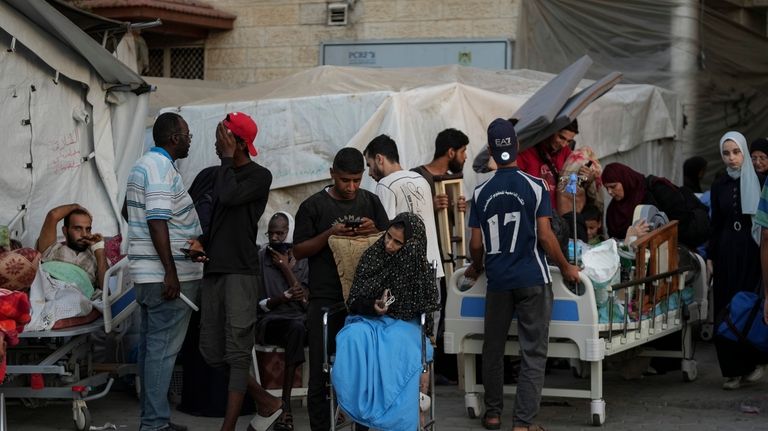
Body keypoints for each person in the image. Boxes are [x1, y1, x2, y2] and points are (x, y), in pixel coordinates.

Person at [464, 118, 580, 431]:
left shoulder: (480, 192)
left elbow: (476, 243)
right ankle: (523, 423)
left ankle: (492, 413)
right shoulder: (536, 186)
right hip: (532, 278)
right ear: (517, 147)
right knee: (533, 352)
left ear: (490, 150)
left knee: (493, 347)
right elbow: (545, 236)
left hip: (498, 281)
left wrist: (477, 266)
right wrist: (567, 267)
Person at [193, 112, 283, 431]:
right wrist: (201, 242)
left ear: (236, 142)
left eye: (222, 137)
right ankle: (267, 400)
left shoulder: (260, 176)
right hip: (215, 270)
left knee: (237, 349)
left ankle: (228, 426)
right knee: (212, 351)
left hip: (241, 273)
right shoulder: (222, 172)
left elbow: (230, 197)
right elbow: (219, 220)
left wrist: (228, 158)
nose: (216, 143)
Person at [293, 147, 389, 431]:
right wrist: (329, 234)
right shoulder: (313, 206)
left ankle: (362, 425)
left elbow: (391, 244)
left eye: (357, 180)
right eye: (345, 180)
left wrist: (373, 231)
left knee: (364, 370)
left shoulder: (370, 202)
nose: (351, 187)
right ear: (332, 173)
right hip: (324, 299)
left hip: (363, 300)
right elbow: (298, 251)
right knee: (321, 373)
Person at [126, 112, 203, 431]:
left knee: (151, 350)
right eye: (187, 135)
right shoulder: (158, 169)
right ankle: (154, 424)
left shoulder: (143, 165)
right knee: (162, 353)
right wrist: (170, 272)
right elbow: (157, 220)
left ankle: (153, 419)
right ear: (174, 138)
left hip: (148, 275)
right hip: (166, 278)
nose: (189, 140)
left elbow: (134, 213)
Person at [333, 212, 440, 431]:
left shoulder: (416, 264)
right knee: (352, 337)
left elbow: (424, 310)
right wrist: (373, 305)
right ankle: (361, 414)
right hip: (369, 320)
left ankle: (396, 421)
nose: (389, 244)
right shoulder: (374, 255)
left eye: (398, 242)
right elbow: (354, 300)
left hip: (406, 324)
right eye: (388, 237)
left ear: (412, 245)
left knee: (401, 348)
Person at [709, 131, 766, 390]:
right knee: (724, 305)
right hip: (726, 251)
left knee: (748, 305)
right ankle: (731, 370)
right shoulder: (719, 184)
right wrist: (710, 256)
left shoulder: (761, 181)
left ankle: (753, 362)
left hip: (752, 251)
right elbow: (715, 222)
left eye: (736, 152)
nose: (732, 158)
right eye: (726, 153)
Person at [363, 134, 443, 278]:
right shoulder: (421, 180)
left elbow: (385, 232)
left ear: (379, 159)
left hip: (405, 273)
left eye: (369, 165)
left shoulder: (385, 184)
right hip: (432, 266)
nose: (369, 173)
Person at [256, 211, 309, 431]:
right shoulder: (260, 259)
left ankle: (289, 405)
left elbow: (305, 301)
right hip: (271, 322)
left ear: (290, 233)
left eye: (281, 233)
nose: (276, 238)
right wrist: (281, 298)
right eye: (272, 234)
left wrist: (286, 268)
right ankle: (285, 406)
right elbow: (259, 304)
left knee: (304, 328)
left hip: (299, 320)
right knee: (295, 329)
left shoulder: (303, 259)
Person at [601, 163, 710, 249]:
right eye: (607, 188)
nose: (610, 192)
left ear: (625, 180)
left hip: (672, 251)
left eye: (613, 186)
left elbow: (681, 221)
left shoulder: (656, 189)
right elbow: (615, 241)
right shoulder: (613, 211)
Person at [517, 120, 598, 211]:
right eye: (561, 137)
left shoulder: (566, 152)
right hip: (532, 213)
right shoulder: (525, 151)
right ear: (551, 130)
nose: (564, 144)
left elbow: (570, 185)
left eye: (569, 141)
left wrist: (587, 177)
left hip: (557, 215)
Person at [35, 203, 107, 290]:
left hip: (80, 300)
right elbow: (53, 215)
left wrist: (99, 250)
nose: (84, 234)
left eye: (88, 229)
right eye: (78, 228)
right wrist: (76, 206)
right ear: (65, 231)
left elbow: (106, 290)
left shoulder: (96, 258)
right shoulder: (51, 249)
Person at [411, 128, 469, 213]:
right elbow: (407, 212)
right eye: (462, 152)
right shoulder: (416, 175)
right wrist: (430, 207)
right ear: (451, 152)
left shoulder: (452, 181)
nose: (465, 157)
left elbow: (453, 222)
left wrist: (460, 211)